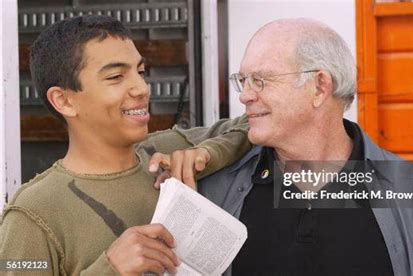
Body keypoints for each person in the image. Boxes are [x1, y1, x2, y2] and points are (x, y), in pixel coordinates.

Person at [184, 18, 413, 275]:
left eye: (260, 81)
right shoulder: (213, 194)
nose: (245, 96)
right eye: (243, 81)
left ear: (320, 87)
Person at [0, 15, 250, 275]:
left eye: (141, 72)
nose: (142, 88)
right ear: (63, 100)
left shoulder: (165, 150)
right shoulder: (32, 213)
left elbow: (255, 124)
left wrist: (208, 154)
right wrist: (110, 268)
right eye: (116, 76)